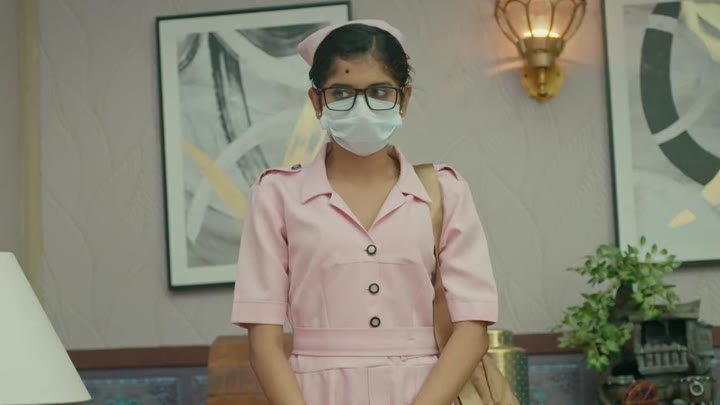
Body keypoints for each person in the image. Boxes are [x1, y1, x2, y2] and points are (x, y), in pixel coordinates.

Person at [231, 19, 499, 405]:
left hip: (427, 391)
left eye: (379, 91)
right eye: (341, 92)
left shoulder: (445, 191)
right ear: (316, 101)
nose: (361, 106)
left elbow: (472, 329)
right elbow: (263, 343)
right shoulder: (276, 195)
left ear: (404, 99)